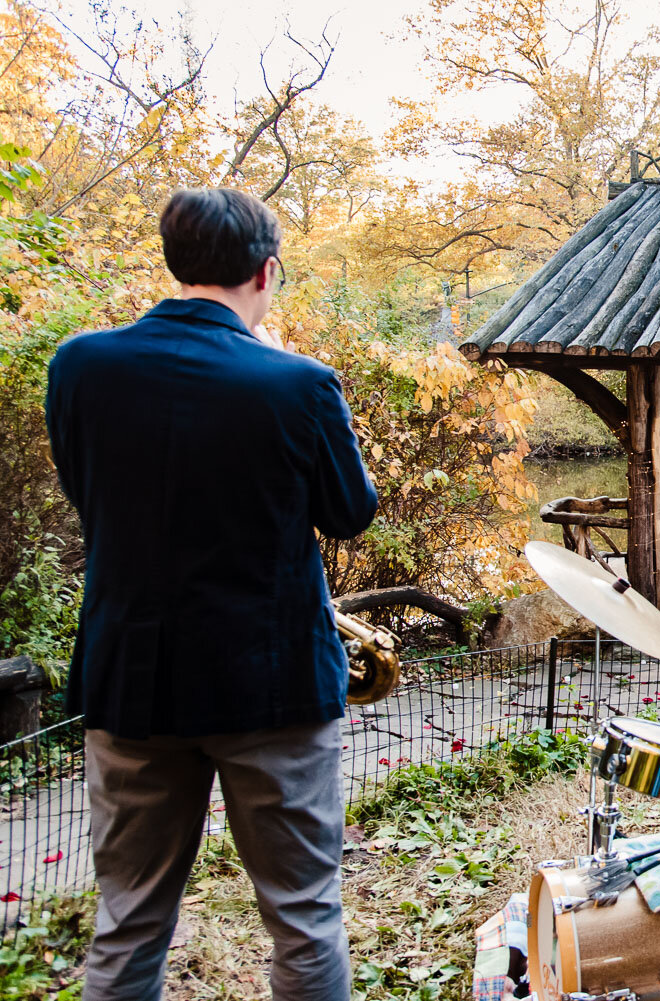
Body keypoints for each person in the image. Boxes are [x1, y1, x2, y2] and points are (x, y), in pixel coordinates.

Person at [46, 188, 377, 1001]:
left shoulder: (78, 365)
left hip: (133, 682)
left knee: (127, 919)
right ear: (267, 272)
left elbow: (88, 493)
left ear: (174, 261)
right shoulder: (298, 383)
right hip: (274, 688)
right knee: (303, 916)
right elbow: (350, 513)